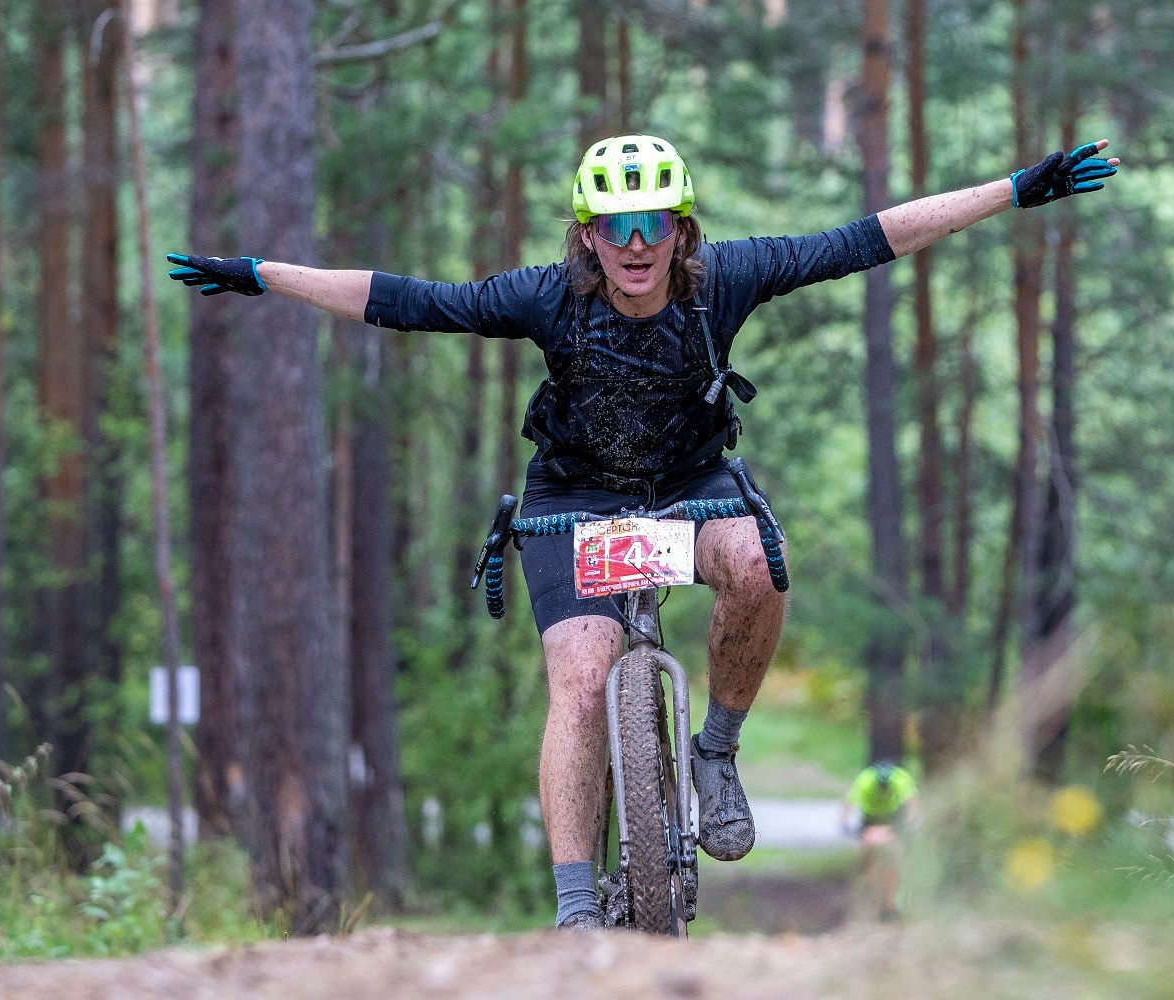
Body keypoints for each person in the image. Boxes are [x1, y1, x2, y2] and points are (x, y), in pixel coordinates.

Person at [167, 134, 1120, 929]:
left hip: (689, 492)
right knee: (579, 684)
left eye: (653, 222)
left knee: (757, 563)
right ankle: (577, 907)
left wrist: (1014, 190)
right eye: (616, 227)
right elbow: (409, 299)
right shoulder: (549, 296)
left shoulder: (728, 280)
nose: (635, 243)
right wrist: (262, 275)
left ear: (681, 227)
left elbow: (866, 239)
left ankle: (717, 749)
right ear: (588, 236)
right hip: (572, 500)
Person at [842, 760, 918, 921]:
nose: (883, 790)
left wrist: (911, 822)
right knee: (869, 854)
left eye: (886, 788)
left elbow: (912, 805)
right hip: (871, 818)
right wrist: (845, 824)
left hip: (892, 818)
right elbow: (848, 805)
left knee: (895, 856)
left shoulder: (900, 780)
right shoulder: (864, 781)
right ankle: (872, 894)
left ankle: (891, 903)